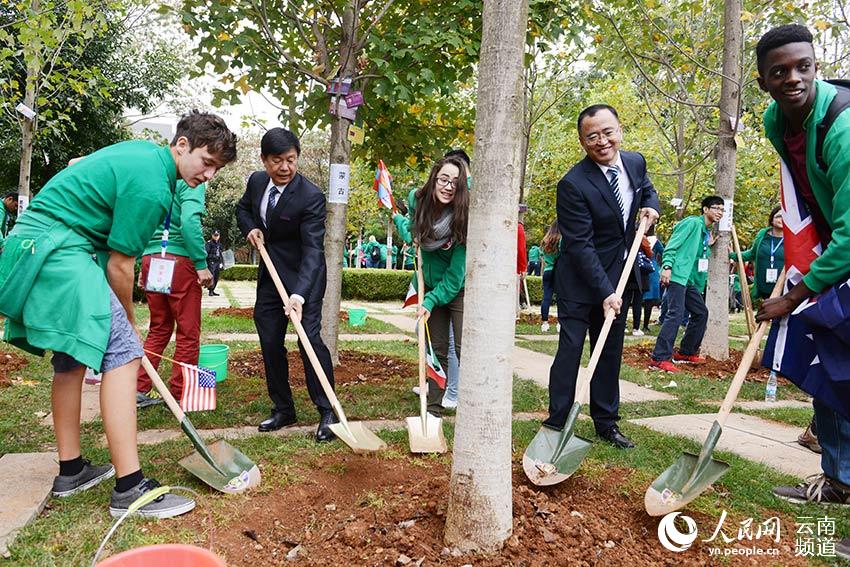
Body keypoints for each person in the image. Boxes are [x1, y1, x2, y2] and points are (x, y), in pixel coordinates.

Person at [0, 110, 237, 518]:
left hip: (38, 247)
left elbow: (83, 176)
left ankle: (72, 470)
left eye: (217, 168)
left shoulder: (143, 156)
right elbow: (121, 266)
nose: (210, 175)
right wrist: (127, 322)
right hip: (57, 250)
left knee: (71, 361)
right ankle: (130, 488)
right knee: (124, 355)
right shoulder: (152, 186)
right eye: (207, 162)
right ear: (182, 146)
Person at [754, 26, 850, 552]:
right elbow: (803, 196)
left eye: (803, 67)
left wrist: (794, 294)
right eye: (779, 71)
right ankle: (839, 481)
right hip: (836, 251)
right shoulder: (775, 120)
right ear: (764, 80)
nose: (793, 78)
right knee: (828, 370)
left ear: (815, 65)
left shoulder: (842, 126)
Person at [543, 104, 660, 449]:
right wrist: (605, 291)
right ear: (582, 142)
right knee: (571, 349)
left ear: (619, 130)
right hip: (580, 281)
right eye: (592, 136)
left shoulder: (635, 162)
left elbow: (646, 189)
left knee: (609, 351)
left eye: (608, 132)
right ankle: (557, 422)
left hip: (620, 275)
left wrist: (651, 205)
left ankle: (606, 423)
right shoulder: (573, 184)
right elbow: (579, 246)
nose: (602, 141)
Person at [236, 127, 339, 442]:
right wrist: (251, 228)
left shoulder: (310, 196)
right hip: (270, 276)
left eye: (291, 160)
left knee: (309, 341)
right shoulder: (256, 182)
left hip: (303, 280)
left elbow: (312, 251)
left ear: (297, 158)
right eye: (277, 161)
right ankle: (283, 408)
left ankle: (328, 411)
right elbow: (242, 209)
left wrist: (298, 295)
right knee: (269, 340)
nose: (284, 168)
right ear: (264, 160)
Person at [393, 155, 469, 417]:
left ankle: (473, 407)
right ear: (435, 179)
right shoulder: (418, 200)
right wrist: (399, 220)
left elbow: (455, 276)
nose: (448, 186)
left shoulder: (463, 217)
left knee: (463, 348)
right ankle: (433, 412)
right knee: (435, 350)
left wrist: (430, 301)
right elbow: (415, 233)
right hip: (429, 285)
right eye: (444, 179)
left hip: (456, 291)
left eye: (455, 183)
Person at [135, 180, 213, 408]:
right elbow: (189, 222)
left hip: (153, 258)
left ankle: (138, 388)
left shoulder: (158, 179)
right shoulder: (192, 181)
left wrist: (143, 262)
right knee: (188, 331)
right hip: (179, 260)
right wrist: (201, 262)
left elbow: (142, 222)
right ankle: (181, 392)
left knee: (159, 327)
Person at [649, 196, 724, 373]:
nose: (719, 212)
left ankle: (686, 352)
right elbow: (672, 246)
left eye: (722, 209)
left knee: (700, 313)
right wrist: (666, 266)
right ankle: (659, 357)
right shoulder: (691, 223)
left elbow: (695, 255)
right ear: (705, 209)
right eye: (716, 208)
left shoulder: (704, 231)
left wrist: (708, 244)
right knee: (675, 315)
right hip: (676, 276)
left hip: (688, 280)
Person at [731, 206, 784, 303]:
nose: (782, 219)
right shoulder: (763, 235)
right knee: (767, 314)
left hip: (783, 286)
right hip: (764, 285)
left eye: (785, 216)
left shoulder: (793, 238)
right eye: (779, 216)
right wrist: (733, 255)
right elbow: (752, 254)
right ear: (772, 220)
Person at [641, 227, 664, 332]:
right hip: (652, 269)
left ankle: (632, 326)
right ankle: (645, 325)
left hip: (639, 268)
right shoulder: (655, 241)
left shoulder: (638, 237)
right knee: (649, 300)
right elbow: (664, 252)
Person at [539, 222, 560, 332]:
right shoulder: (560, 241)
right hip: (558, 272)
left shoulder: (544, 242)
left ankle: (544, 323)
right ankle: (559, 323)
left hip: (547, 271)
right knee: (560, 297)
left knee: (546, 297)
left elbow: (542, 259)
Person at [206, 229, 224, 296]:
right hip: (211, 262)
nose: (216, 237)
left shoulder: (219, 244)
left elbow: (220, 254)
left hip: (217, 263)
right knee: (212, 276)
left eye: (217, 235)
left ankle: (213, 290)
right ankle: (210, 291)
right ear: (212, 235)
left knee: (216, 276)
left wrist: (221, 262)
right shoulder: (209, 243)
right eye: (215, 235)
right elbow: (206, 253)